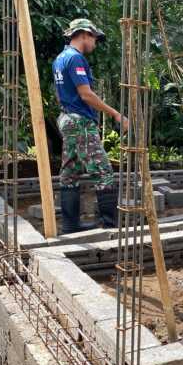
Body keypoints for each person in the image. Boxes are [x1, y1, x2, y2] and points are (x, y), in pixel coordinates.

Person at [54, 18, 126, 234]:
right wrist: (116, 114)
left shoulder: (60, 58)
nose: (95, 42)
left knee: (70, 171)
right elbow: (86, 94)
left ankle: (70, 226)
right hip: (80, 122)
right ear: (84, 34)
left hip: (67, 118)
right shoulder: (76, 58)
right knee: (103, 172)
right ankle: (109, 226)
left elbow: (60, 94)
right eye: (94, 37)